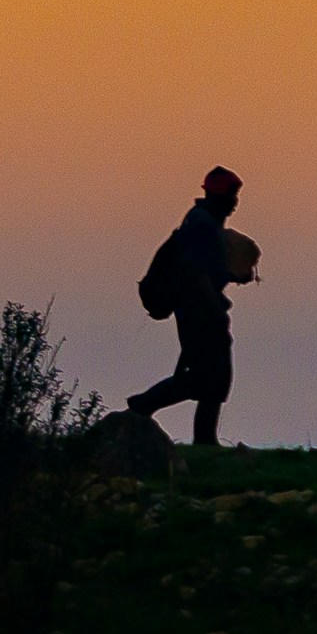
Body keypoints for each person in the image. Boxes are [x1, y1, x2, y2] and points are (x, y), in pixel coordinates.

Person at [126, 165, 257, 446]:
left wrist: (234, 275)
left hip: (199, 311)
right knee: (208, 376)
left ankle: (203, 439)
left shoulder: (204, 223)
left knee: (210, 377)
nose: (235, 202)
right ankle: (144, 406)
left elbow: (206, 269)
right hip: (200, 313)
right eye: (232, 195)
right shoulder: (202, 224)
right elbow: (196, 273)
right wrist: (214, 311)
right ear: (219, 195)